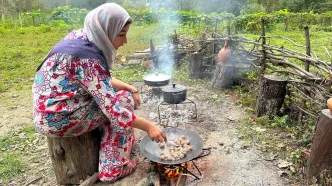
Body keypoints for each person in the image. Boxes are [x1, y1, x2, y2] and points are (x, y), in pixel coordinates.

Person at [32, 3, 166, 183]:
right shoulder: (88, 59)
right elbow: (115, 112)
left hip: (47, 110)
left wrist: (130, 87)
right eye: (121, 35)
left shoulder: (81, 37)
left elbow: (97, 81)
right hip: (58, 119)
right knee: (123, 104)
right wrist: (149, 126)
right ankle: (112, 169)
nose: (124, 41)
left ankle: (116, 142)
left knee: (120, 97)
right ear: (105, 31)